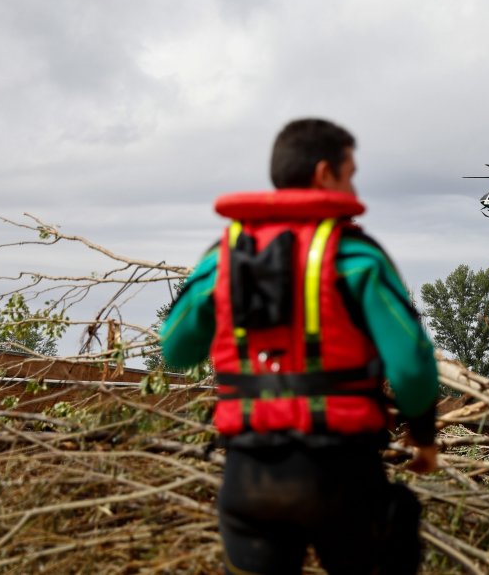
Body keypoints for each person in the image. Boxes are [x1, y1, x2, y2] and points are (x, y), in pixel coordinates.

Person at [160, 118, 439, 575]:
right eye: (351, 173)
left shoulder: (222, 256)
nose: (353, 186)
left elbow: (176, 351)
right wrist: (423, 437)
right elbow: (410, 366)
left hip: (249, 479)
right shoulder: (357, 257)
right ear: (324, 173)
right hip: (343, 477)